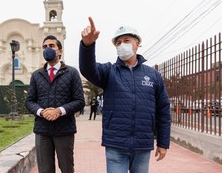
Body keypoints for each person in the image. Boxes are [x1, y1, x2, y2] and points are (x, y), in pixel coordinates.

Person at [79, 17, 171, 173]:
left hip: (142, 144)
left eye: (126, 40)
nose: (122, 45)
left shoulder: (153, 76)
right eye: (118, 42)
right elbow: (88, 69)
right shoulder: (109, 72)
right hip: (116, 144)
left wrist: (163, 142)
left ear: (137, 43)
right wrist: (87, 46)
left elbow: (163, 111)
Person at [26, 35, 85, 173]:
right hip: (42, 130)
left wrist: (59, 111)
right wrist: (42, 112)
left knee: (66, 168)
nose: (47, 49)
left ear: (60, 51)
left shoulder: (72, 73)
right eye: (44, 47)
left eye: (51, 46)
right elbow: (29, 101)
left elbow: (79, 101)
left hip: (64, 129)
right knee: (45, 170)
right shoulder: (36, 75)